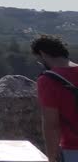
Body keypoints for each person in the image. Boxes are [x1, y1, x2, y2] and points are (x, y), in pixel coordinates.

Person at [32, 34, 78, 162]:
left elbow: (51, 125)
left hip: (73, 149)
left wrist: (51, 157)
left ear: (42, 54)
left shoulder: (48, 80)